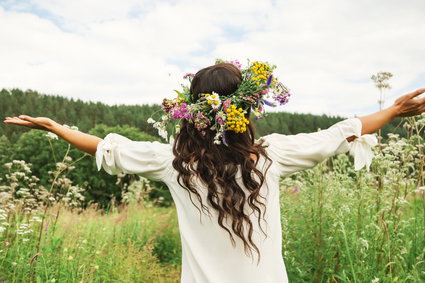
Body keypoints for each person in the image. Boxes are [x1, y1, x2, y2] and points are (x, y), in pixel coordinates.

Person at [3, 61, 425, 283]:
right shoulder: (272, 157)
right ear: (246, 109)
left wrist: (56, 128)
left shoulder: (174, 162)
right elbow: (342, 132)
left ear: (193, 110)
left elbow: (108, 146)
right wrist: (394, 109)